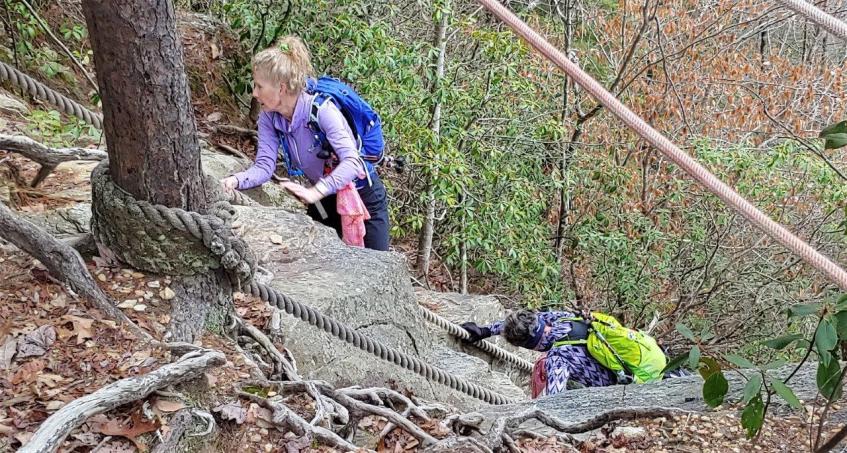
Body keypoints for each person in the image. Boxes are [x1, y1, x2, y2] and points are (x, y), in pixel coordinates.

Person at [220, 36, 390, 251]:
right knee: (321, 259)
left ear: (281, 88)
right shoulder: (269, 117)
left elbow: (352, 162)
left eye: (259, 86)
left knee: (374, 263)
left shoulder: (323, 111)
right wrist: (235, 181)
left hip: (362, 195)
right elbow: (264, 167)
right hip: (324, 198)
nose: (254, 93)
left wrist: (315, 192)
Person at [461, 310, 688, 397]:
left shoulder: (557, 358)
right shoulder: (563, 318)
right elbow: (530, 321)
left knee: (550, 376)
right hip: (653, 358)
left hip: (635, 384)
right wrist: (484, 331)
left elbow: (553, 401)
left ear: (529, 346)